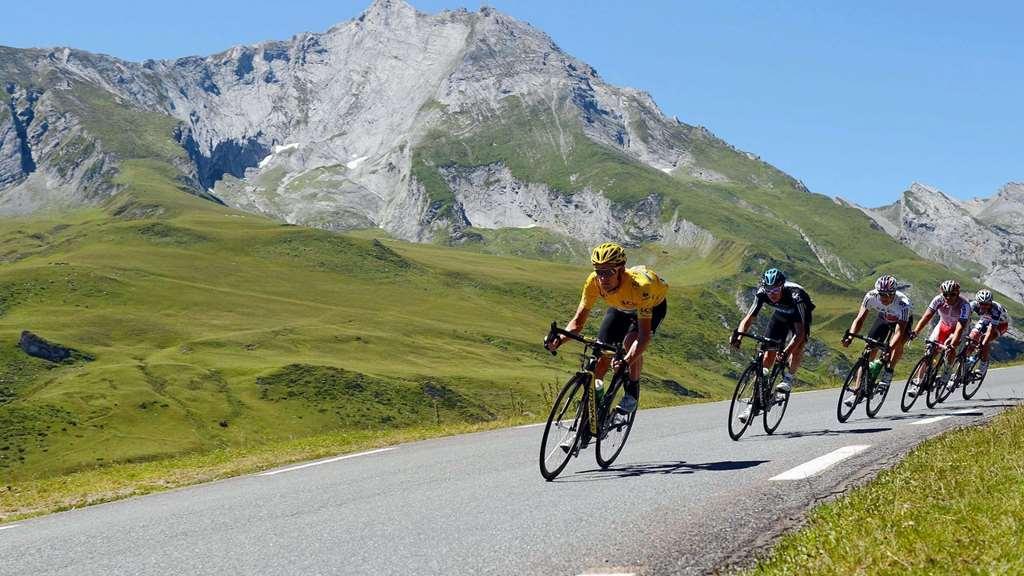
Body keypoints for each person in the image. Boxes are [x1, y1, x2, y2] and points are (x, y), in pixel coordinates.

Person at [545, 242, 669, 415]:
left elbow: (643, 337)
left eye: (608, 272)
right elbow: (577, 323)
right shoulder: (593, 282)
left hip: (651, 306)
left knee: (631, 341)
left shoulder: (641, 287)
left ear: (621, 269)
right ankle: (592, 417)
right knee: (600, 356)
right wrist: (559, 339)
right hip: (620, 308)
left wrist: (626, 361)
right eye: (599, 272)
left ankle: (632, 392)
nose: (603, 278)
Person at [730, 268, 814, 422]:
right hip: (781, 316)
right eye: (769, 290)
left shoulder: (796, 295)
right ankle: (753, 403)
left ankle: (788, 378)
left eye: (775, 289)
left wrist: (787, 351)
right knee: (768, 356)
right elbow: (749, 317)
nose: (772, 293)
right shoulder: (762, 293)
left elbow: (800, 333)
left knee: (799, 343)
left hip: (799, 315)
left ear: (782, 286)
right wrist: (739, 335)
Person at [841, 275, 913, 405]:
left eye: (887, 295)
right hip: (884, 317)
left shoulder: (903, 304)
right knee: (869, 348)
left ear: (894, 293)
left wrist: (889, 348)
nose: (884, 298)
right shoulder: (871, 296)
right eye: (881, 294)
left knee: (896, 345)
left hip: (901, 322)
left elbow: (899, 332)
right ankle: (857, 392)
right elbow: (860, 319)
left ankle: (888, 371)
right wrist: (850, 336)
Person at [907, 279, 970, 397]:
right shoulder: (938, 300)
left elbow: (960, 327)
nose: (949, 297)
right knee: (929, 351)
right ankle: (918, 384)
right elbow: (926, 317)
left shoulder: (964, 305)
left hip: (958, 329)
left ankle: (946, 374)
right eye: (945, 294)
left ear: (958, 293)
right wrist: (916, 331)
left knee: (951, 349)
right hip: (943, 326)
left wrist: (953, 342)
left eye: (952, 294)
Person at [965, 289, 1011, 381]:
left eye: (987, 304)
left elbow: (990, 331)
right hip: (985, 319)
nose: (984, 306)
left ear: (991, 303)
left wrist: (982, 344)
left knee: (984, 340)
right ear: (977, 302)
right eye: (981, 304)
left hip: (1000, 324)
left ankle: (982, 367)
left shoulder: (996, 308)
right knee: (971, 337)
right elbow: (964, 320)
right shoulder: (973, 305)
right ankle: (964, 365)